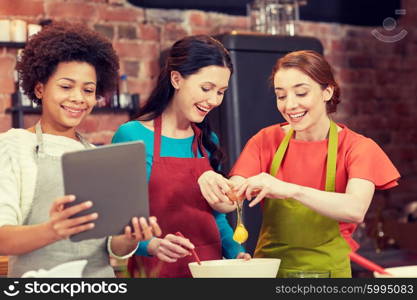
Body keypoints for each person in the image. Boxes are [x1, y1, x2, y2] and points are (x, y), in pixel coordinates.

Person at [198, 50, 400, 278]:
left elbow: (355, 209)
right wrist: (210, 179)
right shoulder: (265, 140)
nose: (290, 105)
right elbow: (230, 200)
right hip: (270, 272)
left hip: (329, 274)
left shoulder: (358, 147)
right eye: (281, 96)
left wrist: (290, 189)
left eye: (301, 93)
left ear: (327, 91)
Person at [0, 22, 161, 278]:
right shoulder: (14, 146)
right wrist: (52, 230)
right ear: (40, 88)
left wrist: (130, 238)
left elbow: (111, 247)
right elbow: (2, 238)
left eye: (88, 90)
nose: (78, 98)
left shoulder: (97, 157)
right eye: (66, 86)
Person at [112, 35, 250, 278]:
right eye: (206, 88)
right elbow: (119, 223)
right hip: (154, 272)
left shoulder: (207, 141)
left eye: (221, 92)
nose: (214, 100)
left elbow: (216, 219)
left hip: (210, 272)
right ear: (176, 79)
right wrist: (152, 244)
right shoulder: (131, 136)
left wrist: (236, 252)